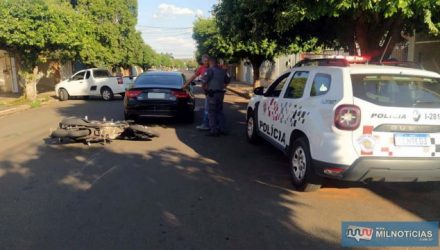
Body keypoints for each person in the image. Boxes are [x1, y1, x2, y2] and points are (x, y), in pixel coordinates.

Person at [201, 56, 230, 136]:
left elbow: (203, 82)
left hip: (212, 94)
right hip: (221, 94)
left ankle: (213, 131)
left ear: (210, 62)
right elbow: (227, 80)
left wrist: (206, 92)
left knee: (212, 112)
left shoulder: (209, 70)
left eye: (207, 62)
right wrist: (221, 86)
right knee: (219, 111)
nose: (205, 63)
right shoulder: (223, 70)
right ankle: (222, 129)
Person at [183, 54, 210, 130]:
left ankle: (206, 125)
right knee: (210, 109)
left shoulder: (213, 67)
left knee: (208, 109)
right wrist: (185, 85)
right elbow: (193, 77)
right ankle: (214, 126)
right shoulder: (201, 68)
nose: (206, 62)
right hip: (207, 92)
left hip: (213, 92)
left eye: (207, 60)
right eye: (204, 61)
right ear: (202, 61)